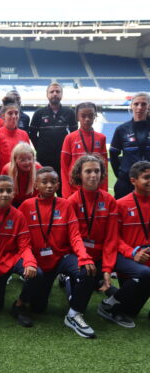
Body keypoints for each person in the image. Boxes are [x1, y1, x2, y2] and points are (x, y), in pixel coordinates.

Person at [19, 167, 97, 338]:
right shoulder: (26, 206)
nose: (49, 186)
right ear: (35, 185)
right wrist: (30, 260)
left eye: (53, 182)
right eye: (44, 182)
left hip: (62, 257)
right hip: (40, 260)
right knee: (39, 309)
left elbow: (75, 235)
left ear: (58, 185)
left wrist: (84, 257)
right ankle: (66, 283)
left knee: (87, 270)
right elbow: (23, 241)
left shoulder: (66, 204)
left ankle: (74, 314)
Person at [68, 155, 139, 328]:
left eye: (97, 171)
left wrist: (108, 269)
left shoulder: (109, 200)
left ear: (102, 174)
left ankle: (110, 303)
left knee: (143, 273)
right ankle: (73, 297)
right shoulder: (72, 201)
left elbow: (111, 238)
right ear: (79, 174)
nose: (93, 175)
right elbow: (73, 237)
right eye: (88, 171)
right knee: (85, 278)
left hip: (102, 256)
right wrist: (84, 258)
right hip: (81, 256)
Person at [0, 175, 41, 327]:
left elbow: (24, 244)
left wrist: (30, 263)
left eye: (8, 191)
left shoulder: (18, 215)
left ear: (13, 193)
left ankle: (19, 305)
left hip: (12, 259)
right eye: (1, 190)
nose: (5, 194)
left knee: (38, 273)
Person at [113, 161, 150, 319]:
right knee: (129, 312)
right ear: (133, 181)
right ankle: (112, 303)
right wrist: (132, 252)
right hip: (133, 262)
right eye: (146, 177)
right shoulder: (120, 205)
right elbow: (114, 237)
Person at [29, 83, 77, 184]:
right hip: (43, 159)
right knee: (43, 187)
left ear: (62, 94)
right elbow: (32, 134)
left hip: (63, 159)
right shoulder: (39, 113)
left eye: (58, 91)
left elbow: (74, 135)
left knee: (62, 189)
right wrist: (40, 148)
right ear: (47, 95)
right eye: (52, 92)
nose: (55, 94)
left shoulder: (70, 113)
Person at [61, 102, 108, 198]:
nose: (87, 119)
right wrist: (66, 192)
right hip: (75, 189)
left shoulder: (101, 138)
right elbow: (64, 167)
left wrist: (103, 190)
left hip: (94, 187)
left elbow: (104, 167)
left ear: (95, 116)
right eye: (83, 116)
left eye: (90, 116)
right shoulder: (70, 138)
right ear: (77, 117)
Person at [110, 93, 150, 199]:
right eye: (136, 104)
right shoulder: (122, 129)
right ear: (131, 106)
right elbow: (113, 154)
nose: (139, 107)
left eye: (143, 104)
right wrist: (122, 173)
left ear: (148, 106)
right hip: (126, 182)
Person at [0, 101, 31, 173]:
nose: (14, 116)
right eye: (10, 113)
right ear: (3, 116)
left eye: (16, 113)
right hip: (2, 178)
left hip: (20, 176)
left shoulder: (24, 134)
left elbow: (29, 157)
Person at [1, 143, 42, 207]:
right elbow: (4, 191)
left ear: (33, 158)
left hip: (33, 203)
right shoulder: (7, 169)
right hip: (13, 203)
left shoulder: (38, 168)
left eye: (29, 159)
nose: (27, 162)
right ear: (15, 160)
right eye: (22, 160)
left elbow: (40, 192)